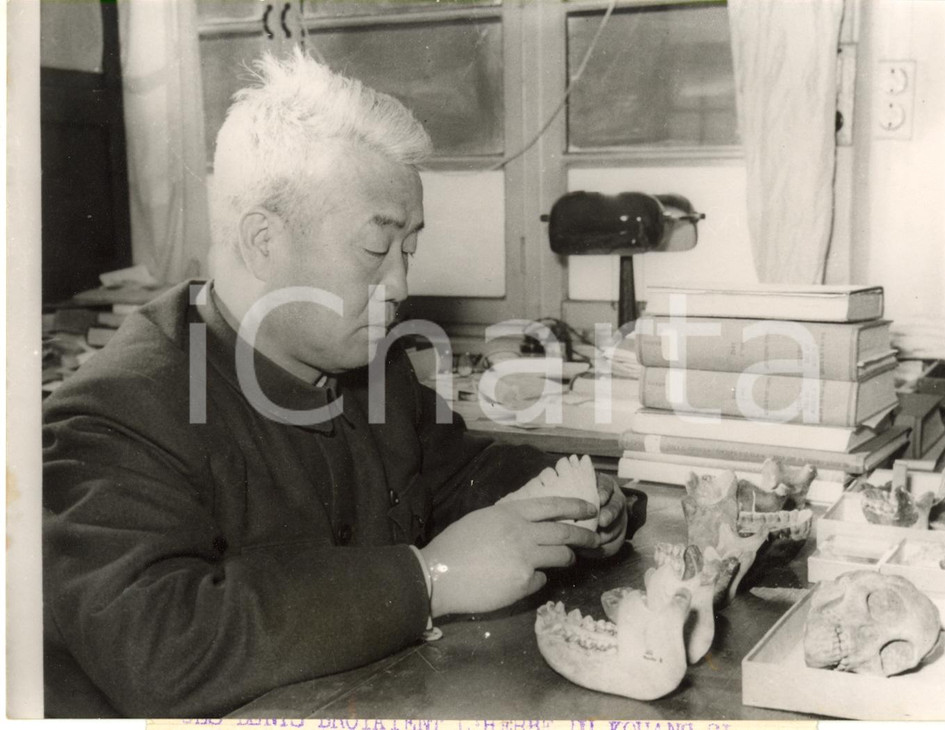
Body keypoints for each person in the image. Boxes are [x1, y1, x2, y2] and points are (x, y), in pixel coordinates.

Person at [42, 49, 629, 718]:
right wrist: (429, 580)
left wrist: (581, 500)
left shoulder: (371, 367)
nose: (401, 286)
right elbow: (157, 645)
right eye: (376, 251)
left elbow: (461, 475)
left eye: (408, 249)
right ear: (263, 241)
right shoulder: (110, 416)